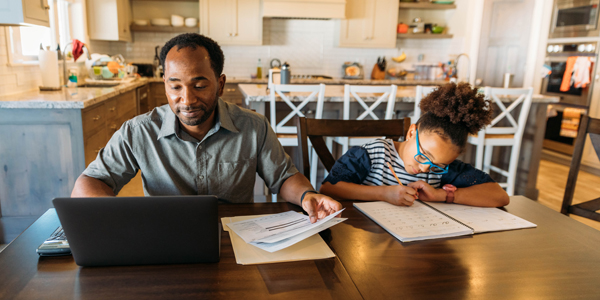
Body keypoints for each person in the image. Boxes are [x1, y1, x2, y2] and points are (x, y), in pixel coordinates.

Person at [71, 33, 341, 223]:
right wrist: (114, 219)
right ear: (164, 82)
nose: (186, 100)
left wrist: (308, 195)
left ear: (220, 84)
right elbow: (92, 182)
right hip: (165, 236)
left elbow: (283, 178)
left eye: (199, 86)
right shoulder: (138, 131)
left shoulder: (253, 126)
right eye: (175, 86)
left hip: (235, 238)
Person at [319, 82, 510, 207]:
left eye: (437, 165)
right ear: (411, 133)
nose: (426, 168)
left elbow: (500, 196)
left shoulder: (441, 169)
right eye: (423, 155)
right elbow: (329, 188)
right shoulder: (372, 154)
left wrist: (441, 195)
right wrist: (384, 193)